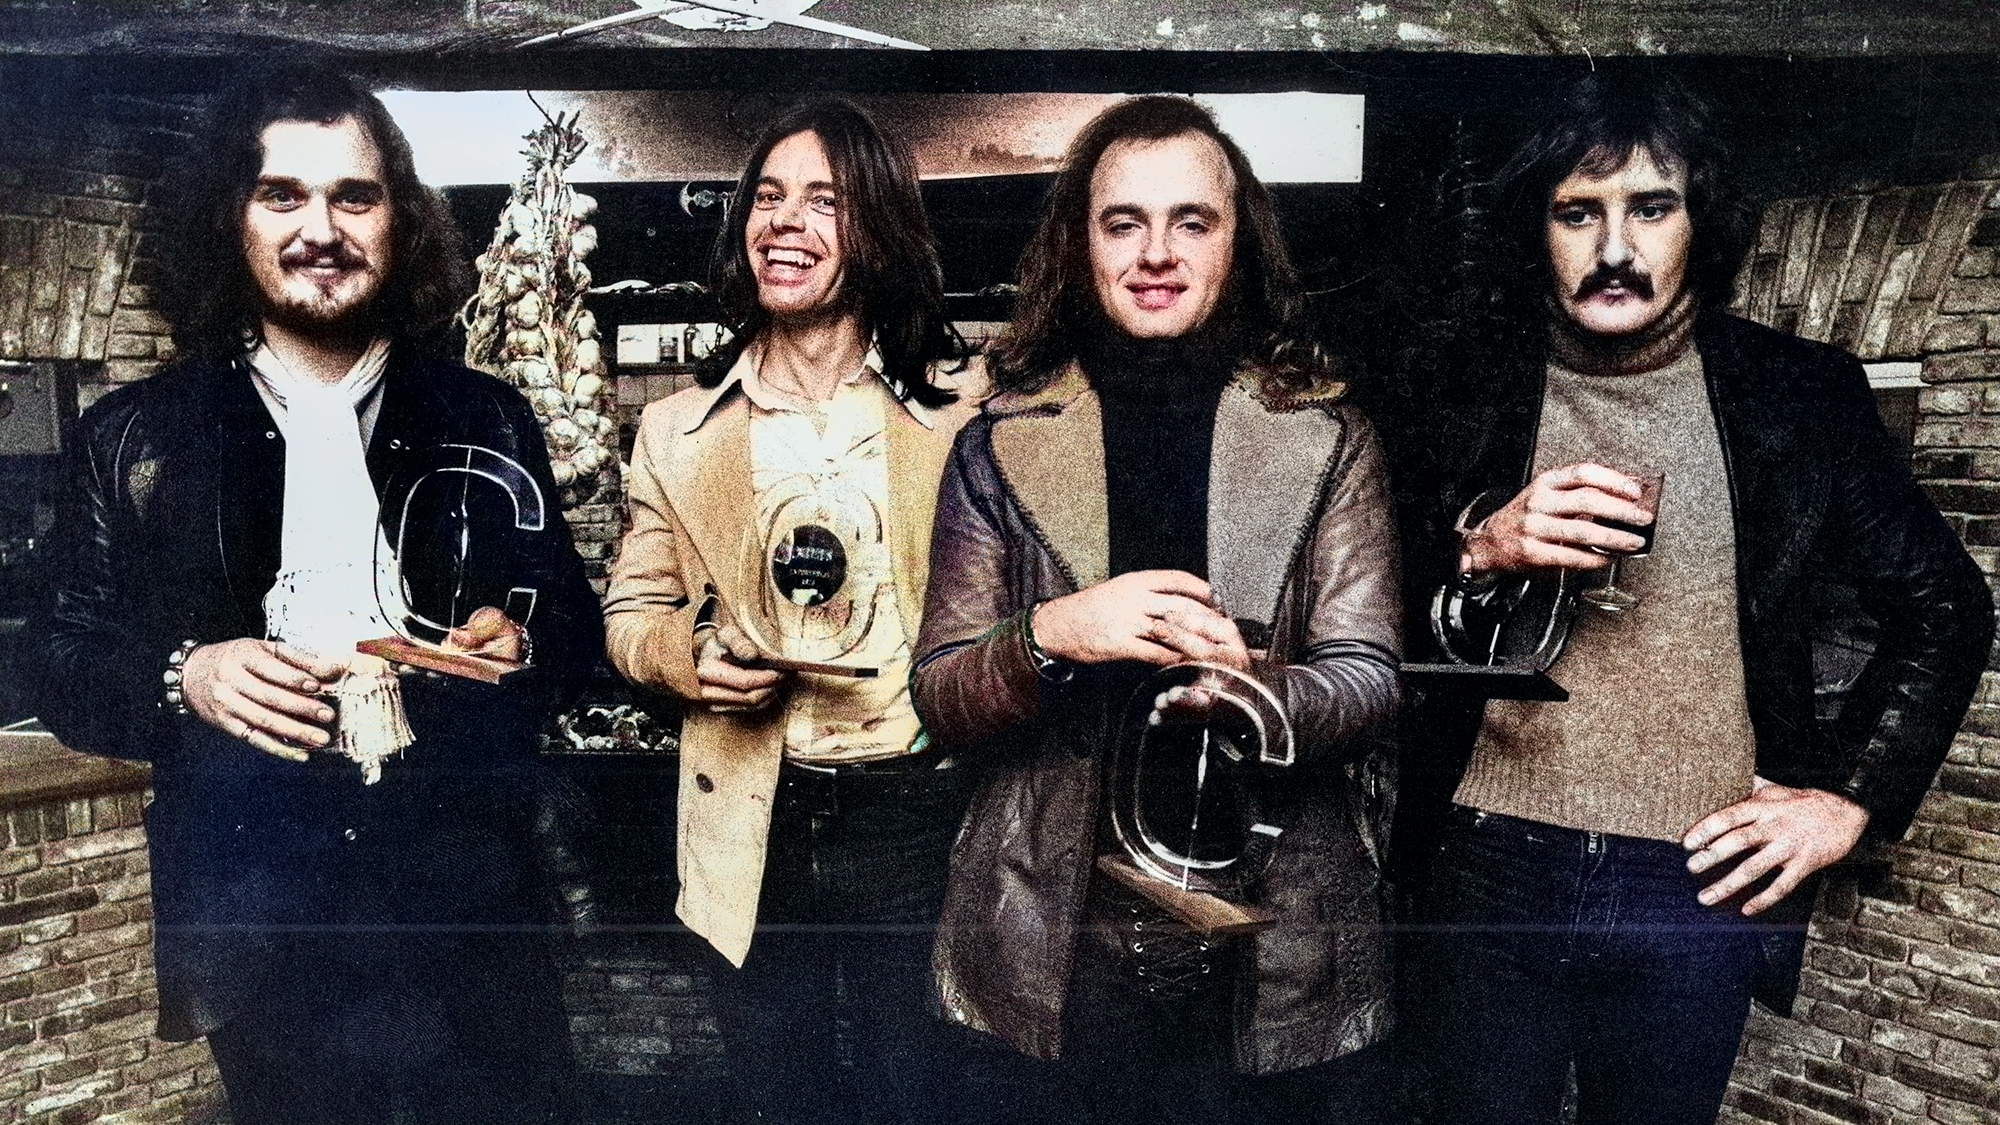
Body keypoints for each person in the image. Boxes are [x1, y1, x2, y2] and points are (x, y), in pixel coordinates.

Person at [1379, 71, 1995, 1125]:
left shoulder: (1799, 395)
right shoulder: (1459, 388)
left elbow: (1945, 607)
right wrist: (1477, 549)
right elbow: (1354, 613)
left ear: (1696, 223)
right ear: (1538, 228)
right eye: (1578, 212)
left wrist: (1849, 800)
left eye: (1648, 208)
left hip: (1694, 878)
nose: (1613, 248)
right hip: (1482, 864)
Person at [27, 68, 602, 1124]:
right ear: (230, 220)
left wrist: (519, 643)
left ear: (399, 220)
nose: (321, 228)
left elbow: (574, 631)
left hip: (467, 903)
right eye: (281, 195)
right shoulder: (133, 437)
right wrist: (185, 675)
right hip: (258, 911)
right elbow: (59, 659)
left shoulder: (488, 416)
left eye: (355, 196)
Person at [910, 95, 1403, 1125]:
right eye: (1121, 221)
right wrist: (1053, 633)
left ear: (1239, 239)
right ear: (1077, 245)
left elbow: (1367, 677)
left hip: (1271, 929)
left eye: (1192, 220)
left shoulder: (1327, 436)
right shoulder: (998, 440)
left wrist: (1254, 691)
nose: (1155, 253)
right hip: (1052, 928)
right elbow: (942, 694)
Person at [601, 99, 986, 1125]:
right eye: (767, 197)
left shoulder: (959, 414)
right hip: (750, 806)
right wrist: (687, 662)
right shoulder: (679, 428)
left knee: (920, 1093)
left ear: (879, 233)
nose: (783, 221)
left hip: (916, 810)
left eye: (824, 200)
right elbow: (631, 609)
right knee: (776, 1094)